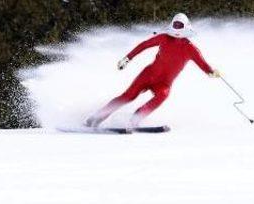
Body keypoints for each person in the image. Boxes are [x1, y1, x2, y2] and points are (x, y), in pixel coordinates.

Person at [85, 13, 220, 128]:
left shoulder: (191, 49)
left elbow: (203, 64)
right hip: (148, 75)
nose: (177, 28)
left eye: (180, 26)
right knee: (129, 96)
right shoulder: (164, 38)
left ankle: (135, 119)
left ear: (186, 27)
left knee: (163, 95)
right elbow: (143, 45)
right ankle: (97, 117)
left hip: (163, 83)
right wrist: (127, 59)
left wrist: (211, 72)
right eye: (176, 25)